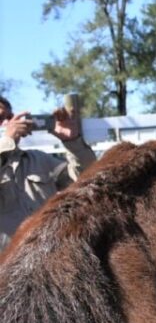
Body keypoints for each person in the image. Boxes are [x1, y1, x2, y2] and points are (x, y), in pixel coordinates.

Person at [0, 95, 96, 251]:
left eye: (10, 117)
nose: (8, 123)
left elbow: (87, 178)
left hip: (43, 262)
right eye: (0, 118)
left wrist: (73, 141)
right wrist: (7, 140)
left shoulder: (38, 159)